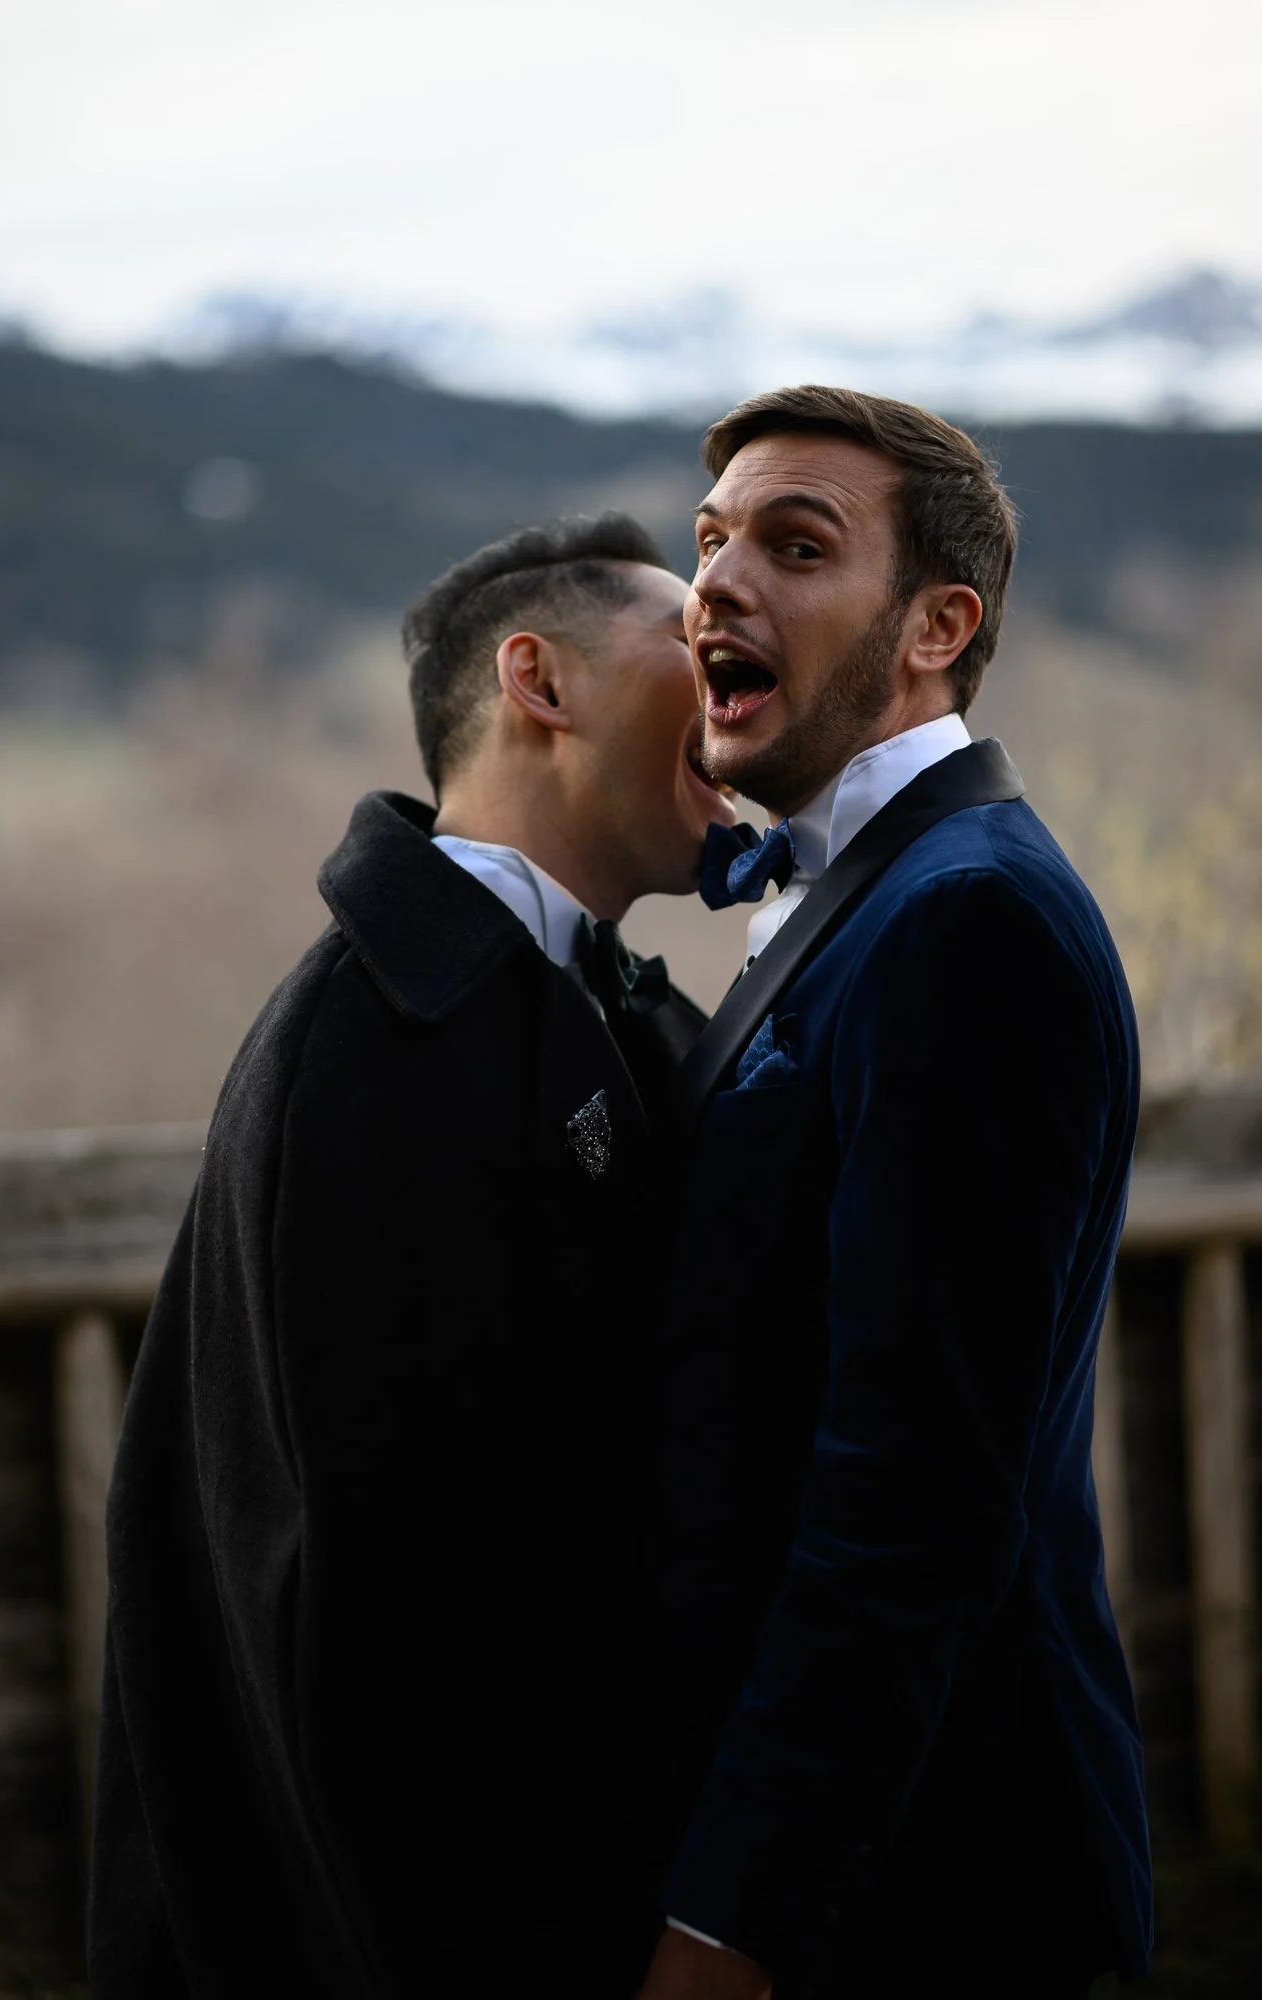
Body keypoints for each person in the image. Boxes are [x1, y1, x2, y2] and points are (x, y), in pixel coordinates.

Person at [89, 513, 734, 1999]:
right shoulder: (374, 1058)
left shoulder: (580, 1005)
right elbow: (389, 1607)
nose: (724, 670)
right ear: (539, 681)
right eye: (680, 639)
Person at [640, 389, 1153, 2000]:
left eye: (796, 546)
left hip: (932, 1889)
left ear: (940, 625)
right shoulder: (868, 886)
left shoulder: (969, 922)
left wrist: (734, 1919)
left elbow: (910, 1497)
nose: (715, 582)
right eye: (710, 539)